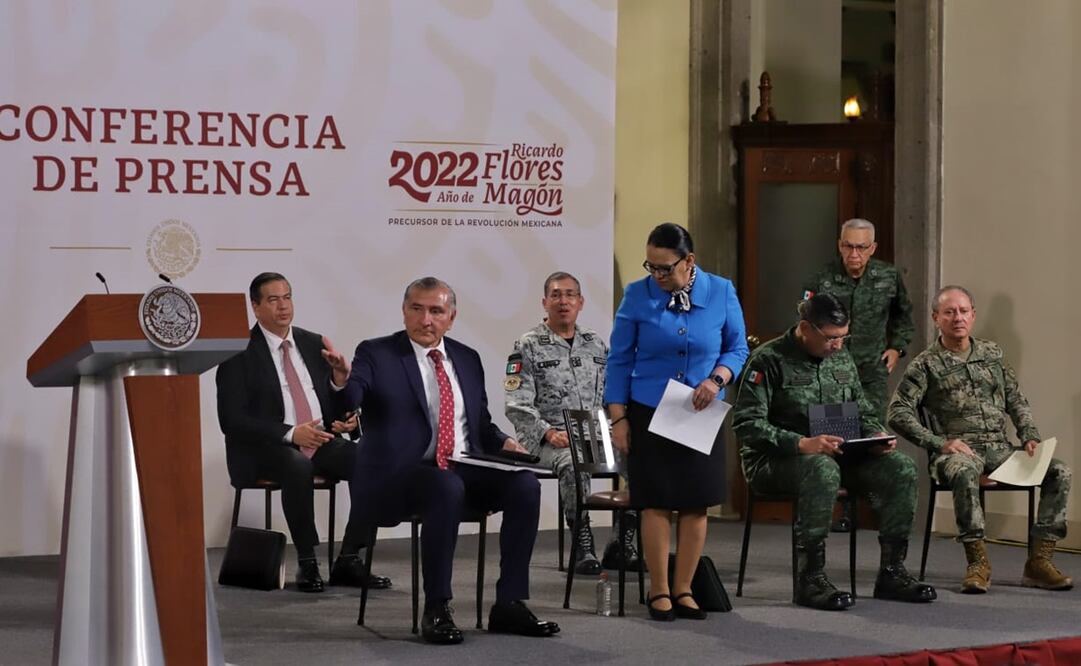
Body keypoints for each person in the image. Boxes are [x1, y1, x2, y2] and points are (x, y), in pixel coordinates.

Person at [333, 277, 559, 645]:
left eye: (436, 311)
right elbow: (351, 396)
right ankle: (437, 606)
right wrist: (342, 382)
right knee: (445, 485)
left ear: (451, 317)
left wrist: (504, 442)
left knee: (524, 484)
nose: (426, 320)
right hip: (401, 475)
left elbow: (480, 424)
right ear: (404, 311)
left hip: (462, 466)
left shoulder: (467, 358)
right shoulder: (377, 353)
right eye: (417, 309)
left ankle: (510, 603)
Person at [732, 293, 935, 610]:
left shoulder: (841, 358)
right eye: (830, 338)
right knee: (821, 469)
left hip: (841, 453)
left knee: (901, 468)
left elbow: (864, 412)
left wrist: (875, 434)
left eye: (843, 337)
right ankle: (810, 579)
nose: (838, 345)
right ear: (805, 328)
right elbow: (746, 424)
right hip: (775, 461)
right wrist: (801, 444)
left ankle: (892, 572)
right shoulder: (767, 360)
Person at [605, 223, 748, 621]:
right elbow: (619, 359)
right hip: (648, 408)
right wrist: (618, 417)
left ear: (690, 261)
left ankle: (685, 589)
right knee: (655, 501)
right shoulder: (637, 294)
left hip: (699, 408)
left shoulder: (720, 291)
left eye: (665, 268)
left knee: (694, 501)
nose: (657, 276)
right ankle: (659, 590)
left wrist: (717, 379)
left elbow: (737, 347)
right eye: (651, 267)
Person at [888, 285, 1072, 593]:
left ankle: (1039, 562)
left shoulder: (992, 354)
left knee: (1059, 471)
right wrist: (938, 443)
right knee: (964, 469)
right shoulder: (926, 364)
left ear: (973, 315)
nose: (957, 318)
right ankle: (978, 562)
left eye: (963, 311)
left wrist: (1029, 436)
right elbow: (897, 412)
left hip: (999, 450)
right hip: (957, 452)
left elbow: (1016, 399)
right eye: (949, 312)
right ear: (936, 318)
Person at [215, 272, 390, 593]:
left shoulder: (313, 343)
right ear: (255, 307)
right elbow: (232, 420)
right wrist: (291, 434)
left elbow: (333, 404)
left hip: (320, 439)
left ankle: (350, 558)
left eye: (287, 297)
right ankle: (308, 561)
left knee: (370, 460)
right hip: (265, 448)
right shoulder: (237, 352)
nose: (283, 306)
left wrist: (343, 397)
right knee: (297, 465)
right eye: (273, 299)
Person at [505, 271, 639, 576]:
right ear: (545, 302)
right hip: (546, 437)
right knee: (572, 463)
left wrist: (617, 426)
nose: (563, 301)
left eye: (569, 295)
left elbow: (611, 394)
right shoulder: (528, 344)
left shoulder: (595, 344)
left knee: (642, 464)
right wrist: (548, 432)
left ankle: (622, 544)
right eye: (556, 295)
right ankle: (583, 544)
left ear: (580, 302)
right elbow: (516, 403)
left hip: (593, 432)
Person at [801, 218, 914, 421]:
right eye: (848, 246)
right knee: (833, 433)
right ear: (840, 245)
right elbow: (804, 323)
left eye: (861, 247)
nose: (854, 254)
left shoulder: (888, 276)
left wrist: (897, 348)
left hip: (871, 370)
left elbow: (903, 315)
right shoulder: (821, 278)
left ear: (873, 248)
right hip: (830, 369)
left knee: (872, 431)